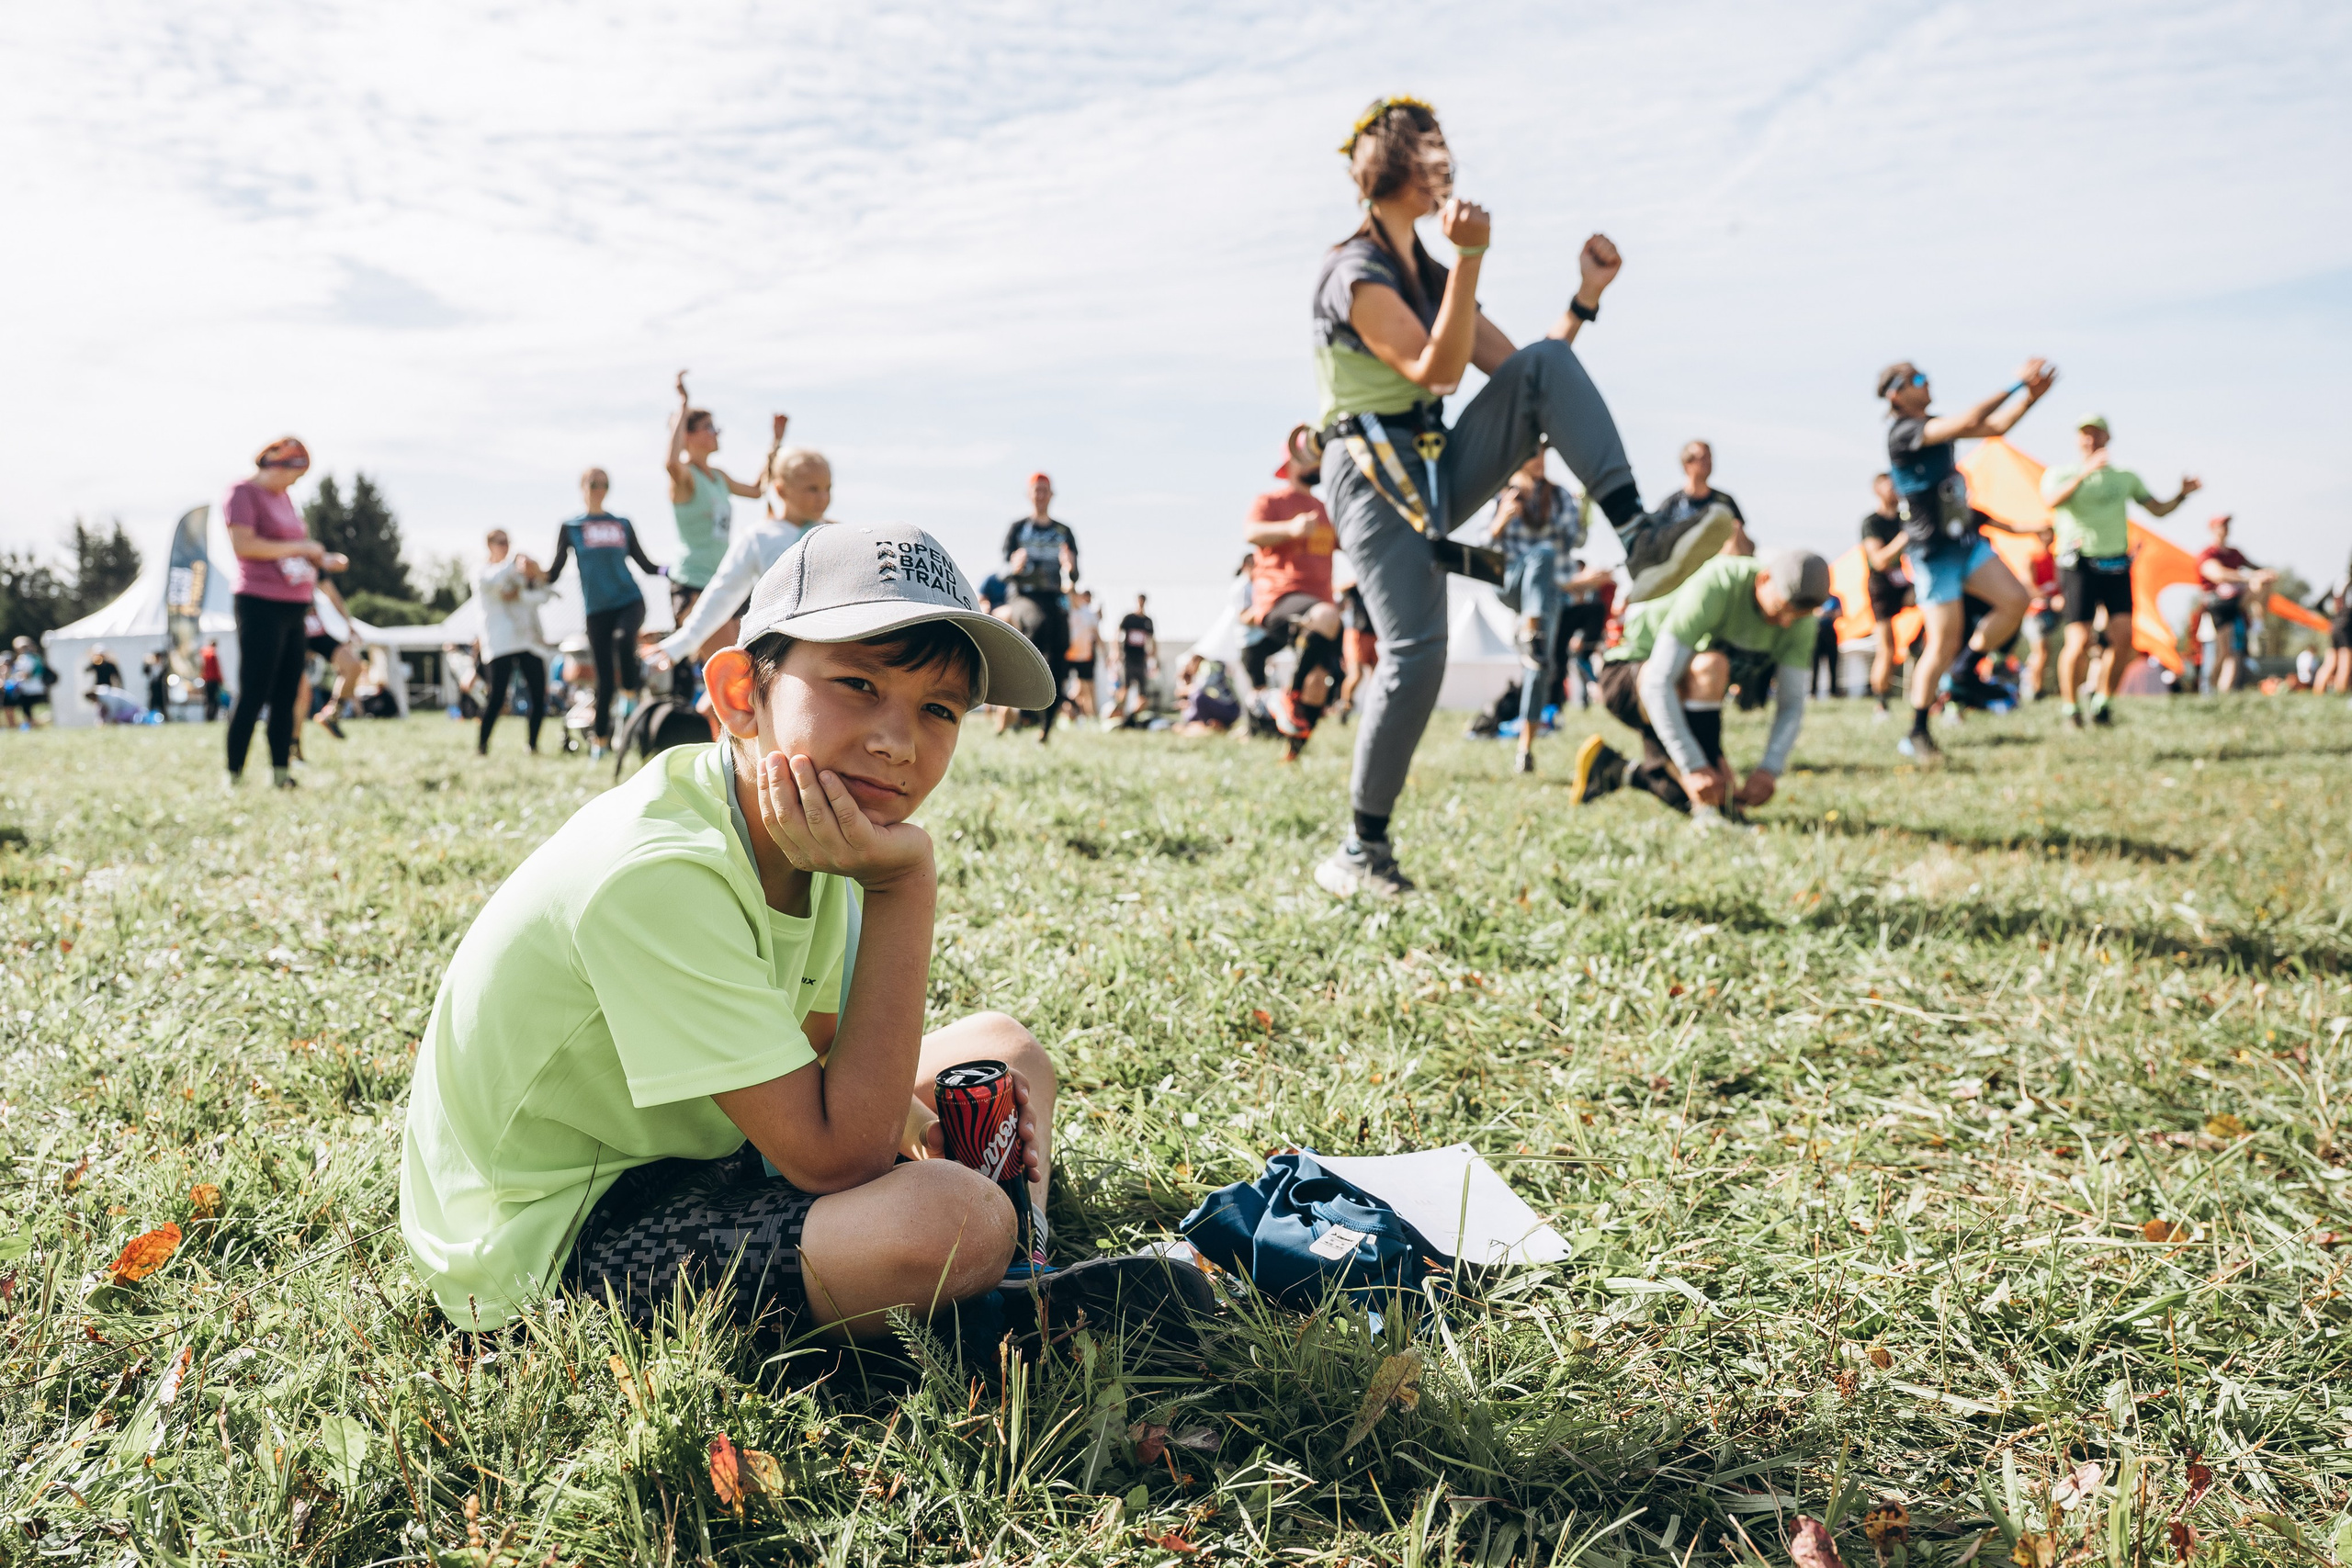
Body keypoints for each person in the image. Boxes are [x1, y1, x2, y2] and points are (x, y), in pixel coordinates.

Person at [400, 523, 1202, 1346]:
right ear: (742, 693)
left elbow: (828, 1062)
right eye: (858, 683)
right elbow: (835, 1156)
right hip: (554, 1237)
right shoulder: (659, 870)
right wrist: (904, 886)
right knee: (953, 1220)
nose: (897, 741)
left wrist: (920, 1126)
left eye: (938, 709)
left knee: (1003, 1048)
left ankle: (1023, 1268)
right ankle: (987, 1307)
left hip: (718, 1143)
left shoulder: (814, 833)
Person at [1303, 98, 1736, 898]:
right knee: (1416, 656)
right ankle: (1360, 852)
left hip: (1429, 460)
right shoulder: (1353, 272)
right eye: (1437, 153)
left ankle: (1639, 536)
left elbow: (1528, 376)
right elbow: (1434, 372)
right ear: (1407, 169)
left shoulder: (1429, 270)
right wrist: (1470, 259)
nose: (1450, 167)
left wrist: (1583, 298)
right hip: (1371, 474)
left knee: (1543, 364)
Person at [1875, 359, 2055, 763]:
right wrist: (2015, 383)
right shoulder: (1904, 432)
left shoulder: (1933, 425)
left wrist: (2029, 399)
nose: (1927, 381)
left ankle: (1964, 672)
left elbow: (1995, 428)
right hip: (1932, 555)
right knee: (1940, 643)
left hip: (1964, 543)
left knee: (2014, 600)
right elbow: (1975, 418)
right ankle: (1917, 731)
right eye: (1917, 379)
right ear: (1896, 395)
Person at [1569, 549, 1829, 826]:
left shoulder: (1801, 619)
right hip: (1630, 676)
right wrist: (1695, 765)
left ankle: (1613, 769)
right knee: (1711, 667)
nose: (1787, 622)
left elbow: (1791, 704)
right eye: (1780, 608)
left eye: (1798, 616)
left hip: (1678, 697)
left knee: (1706, 792)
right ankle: (1716, 810)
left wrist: (1769, 770)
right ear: (1763, 579)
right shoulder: (1721, 582)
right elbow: (1658, 683)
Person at [2041, 414, 2200, 728]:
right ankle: (2070, 707)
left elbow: (2157, 509)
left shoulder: (2125, 477)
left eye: (2097, 434)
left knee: (2123, 637)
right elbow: (2051, 501)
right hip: (2078, 562)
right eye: (2085, 434)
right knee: (2079, 640)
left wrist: (2181, 495)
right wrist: (2086, 473)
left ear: (2107, 439)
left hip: (2115, 563)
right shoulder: (2060, 473)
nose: (2091, 440)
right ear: (2077, 439)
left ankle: (2103, 702)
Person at [223, 437, 345, 788]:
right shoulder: (242, 493)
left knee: (288, 692)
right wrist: (303, 546)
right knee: (254, 690)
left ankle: (281, 772)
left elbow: (289, 550)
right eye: (294, 474)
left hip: (296, 605)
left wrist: (318, 559)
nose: (295, 483)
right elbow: (245, 545)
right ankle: (235, 774)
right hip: (259, 602)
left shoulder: (285, 498)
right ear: (276, 464)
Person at [656, 446, 835, 675]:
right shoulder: (759, 537)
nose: (823, 498)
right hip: (780, 654)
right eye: (812, 489)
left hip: (827, 646)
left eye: (827, 488)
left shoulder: (833, 534)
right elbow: (722, 592)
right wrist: (682, 643)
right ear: (781, 490)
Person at [1240, 432, 1345, 758]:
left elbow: (1356, 545)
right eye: (1315, 454)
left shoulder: (1327, 510)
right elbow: (1251, 533)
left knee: (1320, 681)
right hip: (1280, 599)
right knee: (1327, 616)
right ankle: (1290, 693)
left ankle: (1292, 754)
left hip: (1320, 606)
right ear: (1294, 460)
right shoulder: (1271, 502)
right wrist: (1291, 529)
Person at [546, 468, 662, 761]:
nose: (599, 489)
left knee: (625, 641)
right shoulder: (571, 526)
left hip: (629, 600)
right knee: (604, 680)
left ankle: (632, 699)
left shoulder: (621, 524)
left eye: (605, 484)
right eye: (594, 484)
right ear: (582, 487)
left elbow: (646, 565)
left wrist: (675, 571)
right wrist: (531, 577)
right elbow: (554, 571)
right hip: (597, 611)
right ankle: (600, 743)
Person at [1483, 449, 1576, 774]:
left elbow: (1574, 538)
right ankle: (1531, 630)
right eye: (1533, 452)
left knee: (1538, 668)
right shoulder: (1502, 494)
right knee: (1542, 554)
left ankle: (1525, 748)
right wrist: (1501, 520)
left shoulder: (1560, 496)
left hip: (1547, 592)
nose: (1540, 459)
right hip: (1509, 582)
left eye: (1543, 453)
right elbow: (1482, 545)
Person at [664, 375, 777, 625]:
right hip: (692, 583)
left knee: (746, 656)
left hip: (722, 580)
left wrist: (775, 444)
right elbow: (671, 463)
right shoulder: (686, 478)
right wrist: (684, 403)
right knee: (727, 659)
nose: (716, 433)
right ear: (688, 436)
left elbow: (757, 490)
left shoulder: (719, 477)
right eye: (709, 427)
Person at [1001, 475, 1080, 745]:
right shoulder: (1018, 529)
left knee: (1059, 649)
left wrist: (1070, 566)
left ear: (1051, 494)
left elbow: (1075, 574)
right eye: (1036, 490)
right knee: (1039, 625)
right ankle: (1024, 709)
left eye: (1045, 490)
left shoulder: (1063, 531)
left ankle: (1046, 725)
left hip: (1054, 599)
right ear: (1029, 494)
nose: (1040, 495)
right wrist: (1015, 566)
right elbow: (1003, 573)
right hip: (1025, 598)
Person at [475, 530, 554, 756]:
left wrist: (527, 582)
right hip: (500, 642)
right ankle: (482, 744)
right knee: (497, 697)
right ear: (489, 544)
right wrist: (518, 564)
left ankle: (532, 744)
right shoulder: (483, 571)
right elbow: (491, 582)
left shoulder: (516, 574)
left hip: (528, 641)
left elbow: (541, 595)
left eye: (508, 542)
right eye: (500, 542)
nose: (505, 546)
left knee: (539, 695)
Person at [2197, 514, 2275, 694]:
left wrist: (2266, 574)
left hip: (2236, 609)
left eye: (2226, 525)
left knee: (2232, 654)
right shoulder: (2206, 554)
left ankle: (2224, 693)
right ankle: (2208, 692)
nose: (2224, 529)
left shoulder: (2235, 553)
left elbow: (2256, 568)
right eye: (2220, 525)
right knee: (2218, 654)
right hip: (2216, 610)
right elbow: (2217, 574)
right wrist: (2251, 577)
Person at [1859, 473, 1912, 719]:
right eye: (1889, 485)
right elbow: (1879, 560)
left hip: (1903, 584)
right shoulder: (1872, 522)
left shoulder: (1906, 518)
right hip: (1880, 587)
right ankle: (1880, 704)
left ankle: (1920, 645)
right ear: (1877, 489)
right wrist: (1905, 537)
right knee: (1887, 649)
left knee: (1940, 609)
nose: (1895, 489)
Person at [297, 570, 366, 745]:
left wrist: (349, 625)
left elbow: (332, 593)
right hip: (291, 629)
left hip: (315, 630)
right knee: (301, 694)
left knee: (354, 666)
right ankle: (293, 747)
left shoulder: (311, 558)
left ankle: (331, 713)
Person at [1663, 441, 1749, 558]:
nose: (1708, 462)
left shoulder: (1725, 501)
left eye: (1710, 457)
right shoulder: (1672, 505)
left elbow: (1740, 538)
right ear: (1687, 464)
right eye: (1702, 458)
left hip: (1720, 562)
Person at [2018, 544, 2060, 702]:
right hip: (2035, 614)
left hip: (2053, 613)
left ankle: (2036, 686)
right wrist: (2050, 600)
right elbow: (2028, 587)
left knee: (2044, 652)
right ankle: (2035, 690)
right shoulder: (2031, 559)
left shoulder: (2056, 559)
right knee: (2040, 651)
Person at [1111, 593, 1157, 727]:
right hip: (1128, 659)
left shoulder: (1148, 621)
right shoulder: (1129, 618)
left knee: (1143, 693)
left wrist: (1154, 657)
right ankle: (1120, 715)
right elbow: (1117, 633)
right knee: (1125, 688)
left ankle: (1133, 717)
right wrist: (1116, 651)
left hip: (1141, 660)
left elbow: (1152, 640)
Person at [1336, 581, 1377, 721]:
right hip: (1356, 632)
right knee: (1355, 675)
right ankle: (1344, 707)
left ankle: (1375, 711)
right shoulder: (1355, 587)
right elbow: (1339, 590)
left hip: (1376, 633)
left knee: (1376, 677)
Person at [1065, 589, 1101, 718]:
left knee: (1085, 688)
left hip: (1085, 656)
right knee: (1077, 688)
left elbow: (1096, 634)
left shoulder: (1089, 614)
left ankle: (1089, 715)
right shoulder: (1067, 612)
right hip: (1069, 655)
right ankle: (1069, 712)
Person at [2320, 555, 2352, 697]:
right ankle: (2340, 695)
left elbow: (2318, 604)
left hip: (2335, 624)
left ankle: (2317, 693)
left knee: (2330, 662)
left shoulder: (2340, 580)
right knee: (2346, 661)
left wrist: (2332, 618)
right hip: (2347, 624)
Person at [6, 637, 51, 729]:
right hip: (39, 686)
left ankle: (29, 724)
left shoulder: (24, 658)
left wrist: (14, 677)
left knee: (23, 707)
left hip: (28, 688)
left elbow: (26, 674)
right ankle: (32, 723)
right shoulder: (36, 656)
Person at [1811, 594, 1842, 696]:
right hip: (1817, 633)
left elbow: (1839, 614)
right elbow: (1814, 613)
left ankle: (1833, 691)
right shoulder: (1816, 598)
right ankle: (1813, 691)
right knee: (1815, 665)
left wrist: (1826, 613)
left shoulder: (1835, 599)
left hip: (1831, 633)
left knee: (1833, 664)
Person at [199, 640, 224, 722]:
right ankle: (212, 716)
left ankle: (208, 716)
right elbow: (216, 669)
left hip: (207, 680)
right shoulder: (213, 655)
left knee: (208, 699)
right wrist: (221, 679)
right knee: (214, 700)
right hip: (213, 680)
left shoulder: (204, 654)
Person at [142, 651, 171, 718]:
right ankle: (150, 717)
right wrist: (146, 662)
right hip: (154, 688)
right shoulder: (151, 666)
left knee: (163, 705)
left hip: (161, 688)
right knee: (152, 704)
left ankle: (166, 718)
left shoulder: (163, 666)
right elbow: (145, 671)